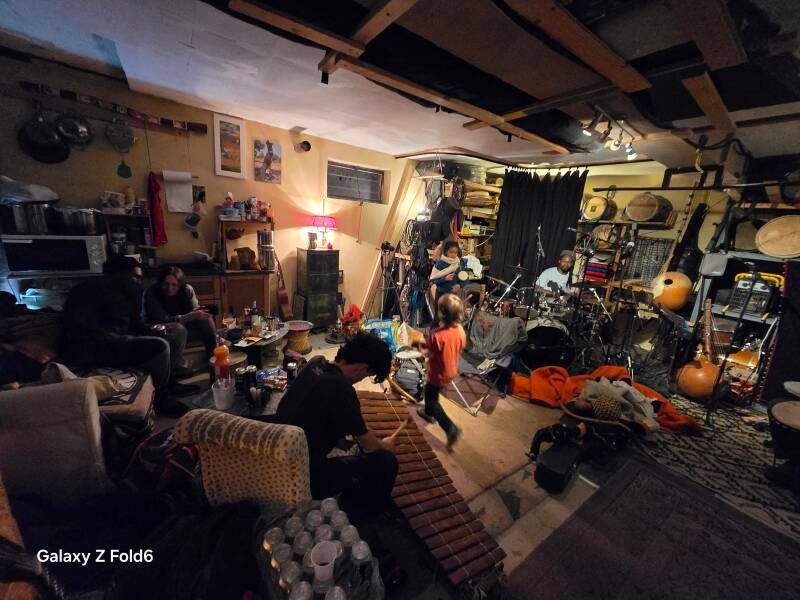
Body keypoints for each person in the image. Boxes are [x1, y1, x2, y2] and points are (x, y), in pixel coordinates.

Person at [275, 332, 398, 520]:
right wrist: (384, 445)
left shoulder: (316, 363)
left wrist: (361, 432)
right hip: (303, 477)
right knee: (386, 461)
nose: (361, 380)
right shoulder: (341, 389)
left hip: (278, 457)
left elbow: (328, 416)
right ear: (361, 369)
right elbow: (370, 447)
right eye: (367, 376)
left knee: (351, 443)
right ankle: (359, 516)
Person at [60, 256, 189, 417]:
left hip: (117, 339)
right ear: (120, 274)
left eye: (140, 279)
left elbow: (133, 323)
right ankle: (160, 401)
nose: (139, 282)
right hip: (93, 345)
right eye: (136, 277)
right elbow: (83, 329)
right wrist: (126, 338)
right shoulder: (89, 290)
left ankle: (170, 383)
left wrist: (152, 329)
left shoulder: (127, 293)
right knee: (160, 346)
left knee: (169, 334)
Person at [414, 293, 464, 448]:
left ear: (441, 314)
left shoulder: (436, 334)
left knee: (431, 399)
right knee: (432, 393)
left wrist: (419, 347)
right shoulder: (460, 330)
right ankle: (428, 413)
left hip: (437, 374)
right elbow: (459, 346)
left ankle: (450, 428)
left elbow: (429, 353)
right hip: (452, 370)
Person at [144, 266, 216, 367]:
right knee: (179, 329)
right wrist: (191, 316)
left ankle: (214, 358)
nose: (169, 288)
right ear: (160, 283)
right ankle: (176, 367)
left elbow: (194, 312)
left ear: (180, 285)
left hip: (185, 328)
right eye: (166, 284)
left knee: (206, 319)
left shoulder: (186, 290)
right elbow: (163, 320)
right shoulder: (152, 293)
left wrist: (198, 313)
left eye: (174, 285)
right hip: (161, 330)